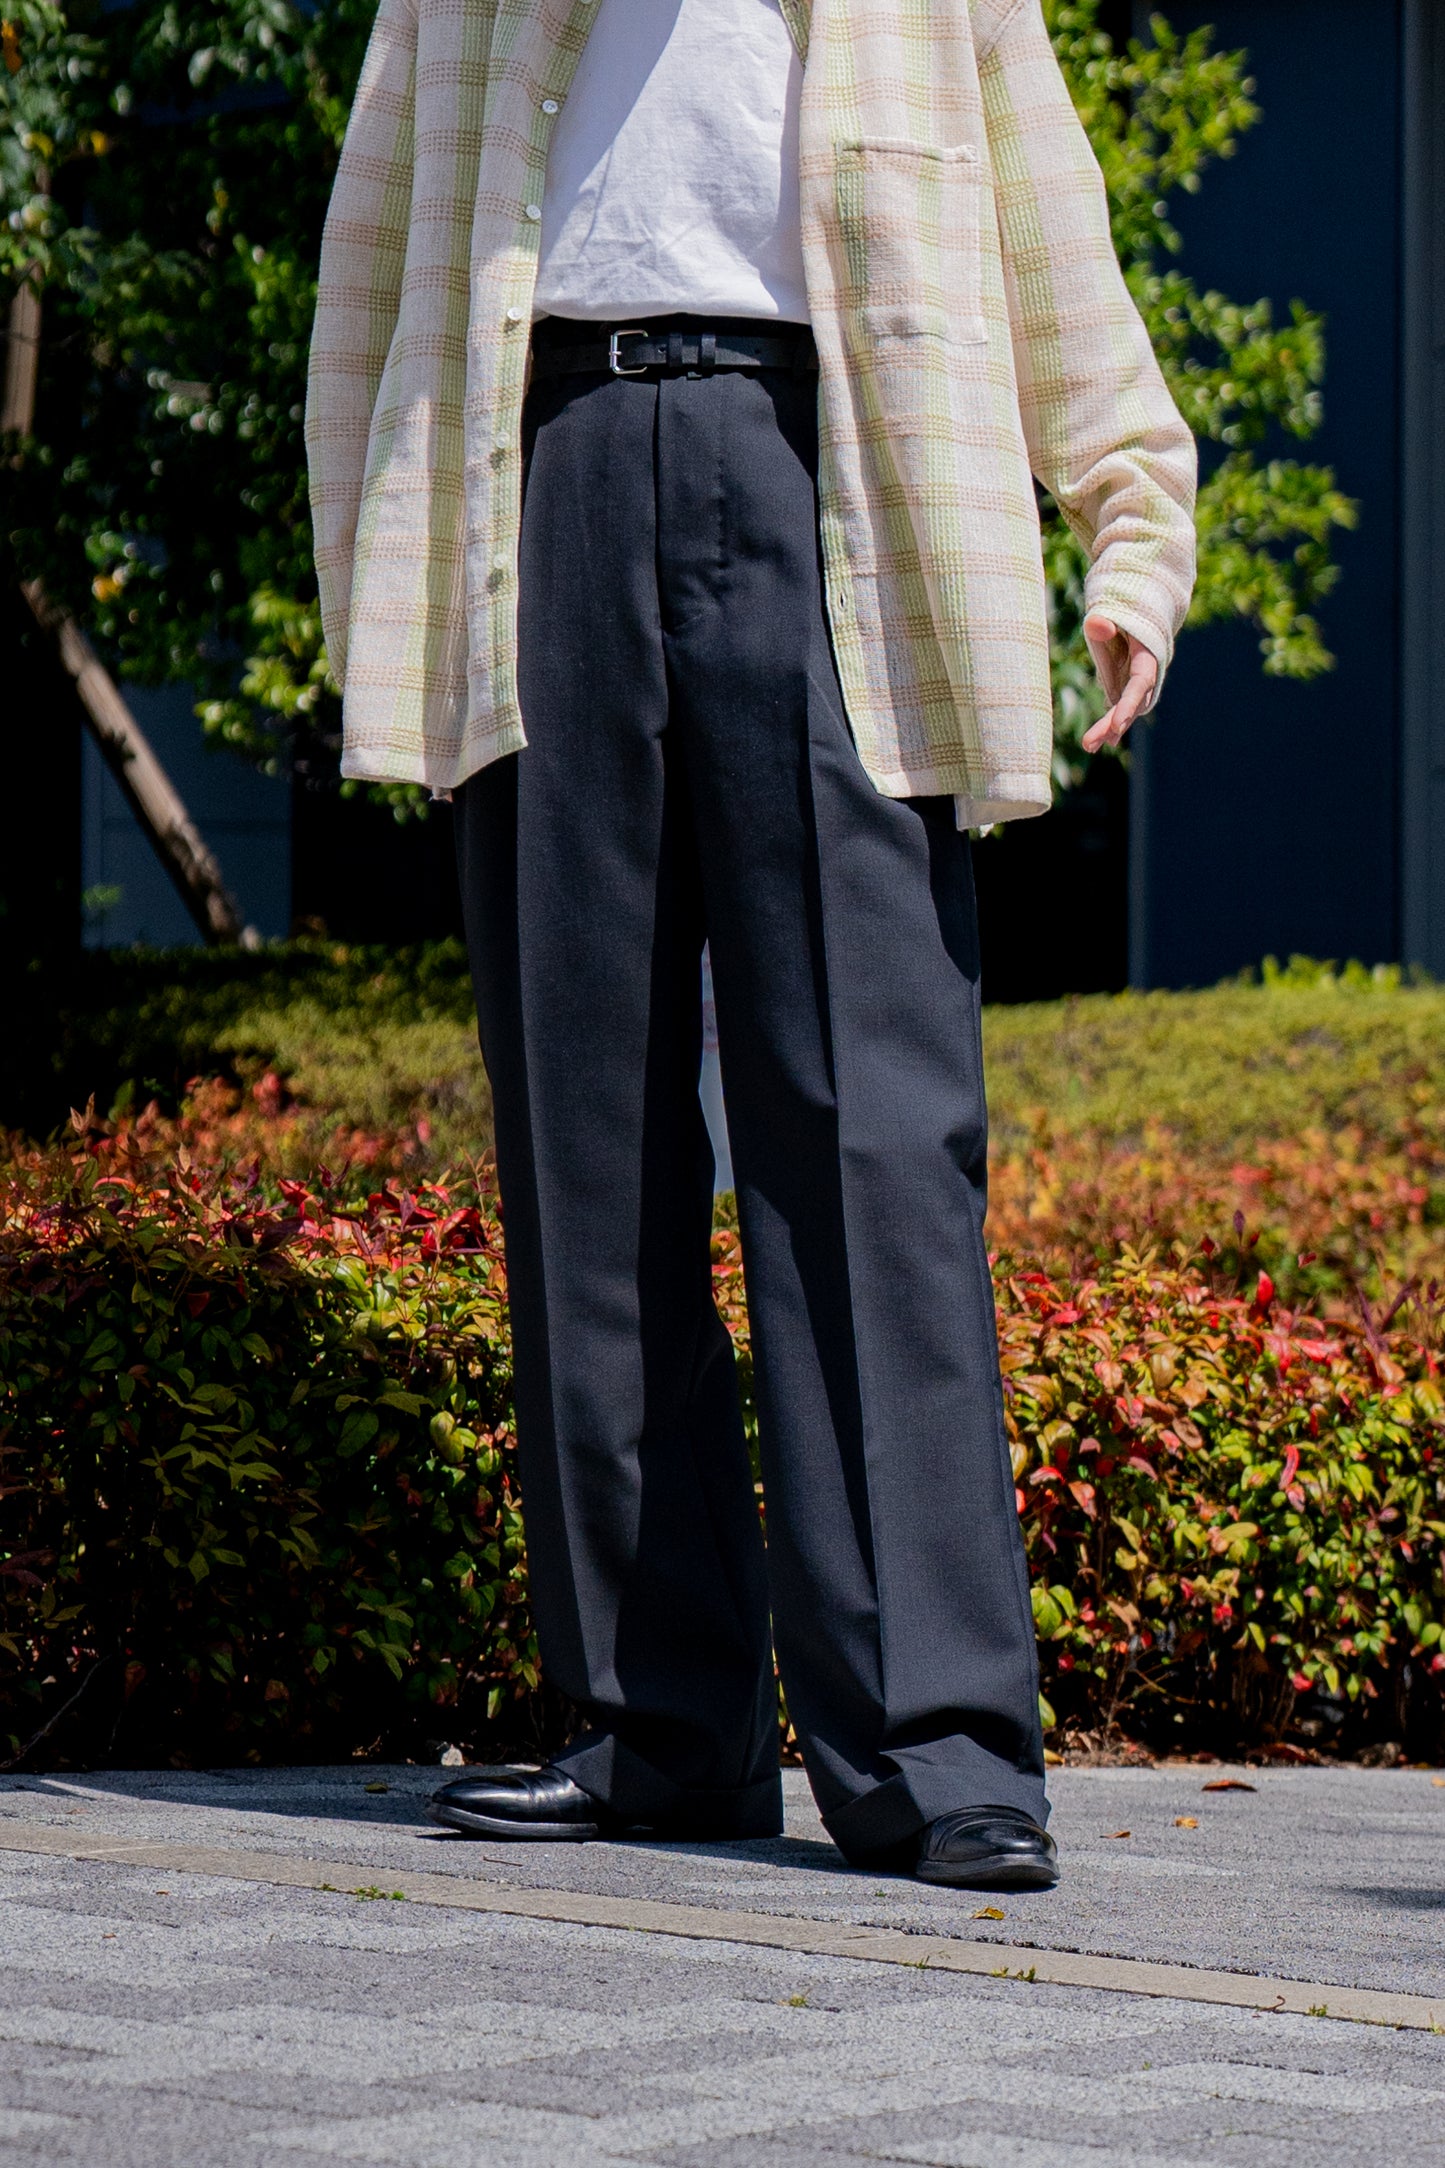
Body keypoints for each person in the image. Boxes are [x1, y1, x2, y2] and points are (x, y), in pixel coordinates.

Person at [306, 0, 1196, 1891]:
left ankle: (939, 1749)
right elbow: (370, 246)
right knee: (586, 1135)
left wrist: (1129, 521)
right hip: (547, 466)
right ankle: (653, 1727)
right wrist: (375, 580)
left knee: (871, 1133)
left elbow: (1044, 218)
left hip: (832, 475)